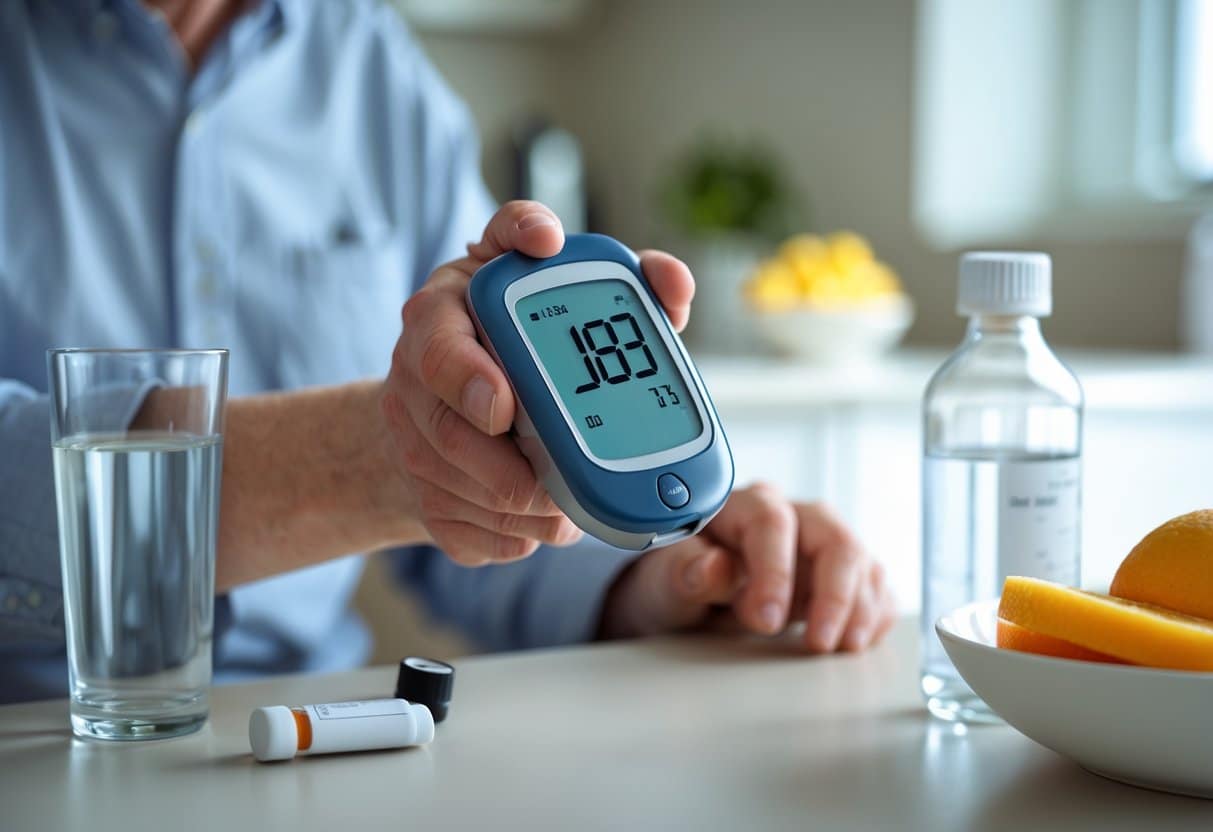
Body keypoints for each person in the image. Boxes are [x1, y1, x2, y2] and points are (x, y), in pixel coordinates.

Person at [0, 0, 896, 703]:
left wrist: (671, 578)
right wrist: (377, 457)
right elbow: (430, 459)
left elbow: (477, 516)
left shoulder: (373, 66)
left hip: (310, 726)